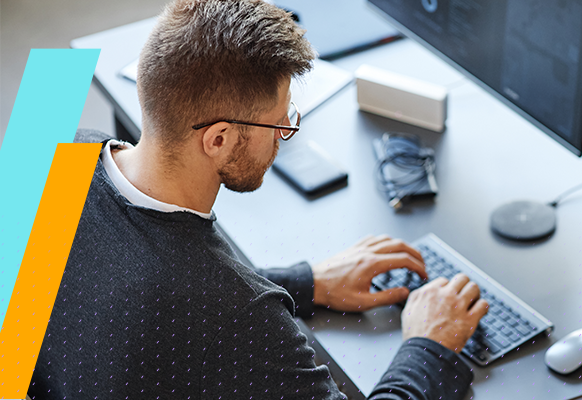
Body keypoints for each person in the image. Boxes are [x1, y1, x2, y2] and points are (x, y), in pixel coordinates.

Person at [28, 0, 489, 399]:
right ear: (219, 139)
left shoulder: (60, 153)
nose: (283, 137)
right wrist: (429, 345)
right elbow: (199, 301)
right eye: (278, 125)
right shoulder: (241, 319)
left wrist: (308, 282)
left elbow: (133, 278)